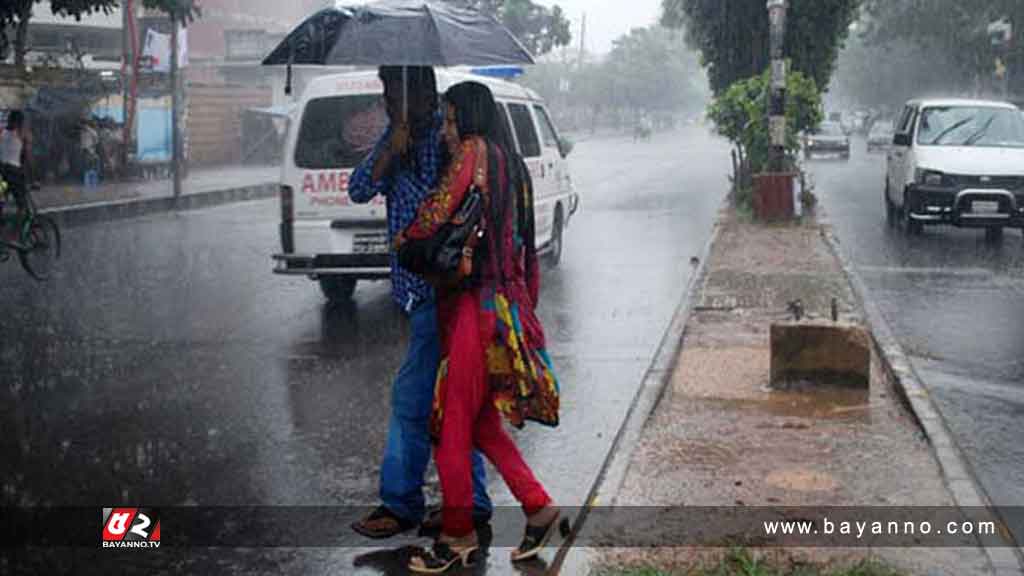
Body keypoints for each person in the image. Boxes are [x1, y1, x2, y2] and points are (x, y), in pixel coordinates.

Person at [398, 82, 561, 573]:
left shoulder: (471, 153)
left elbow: (432, 218)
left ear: (468, 118)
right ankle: (538, 507)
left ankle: (457, 534)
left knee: (450, 423)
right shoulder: (513, 162)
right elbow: (524, 246)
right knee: (482, 424)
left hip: (473, 308)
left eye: (450, 119)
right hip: (505, 308)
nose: (445, 132)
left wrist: (405, 238)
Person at [347, 66, 492, 539]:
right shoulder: (395, 136)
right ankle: (471, 503)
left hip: (441, 289)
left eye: (395, 92)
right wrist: (391, 148)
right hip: (416, 290)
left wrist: (414, 151)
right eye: (385, 93)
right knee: (451, 398)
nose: (388, 102)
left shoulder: (446, 138)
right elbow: (359, 189)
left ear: (422, 93)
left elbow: (445, 207)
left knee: (412, 399)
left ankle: (402, 502)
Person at [0, 110, 30, 243]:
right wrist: (32, 178)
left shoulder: (1, 132)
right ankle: (13, 236)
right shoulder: (22, 134)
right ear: (20, 122)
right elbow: (27, 158)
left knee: (1, 200)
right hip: (14, 173)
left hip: (2, 172)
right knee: (22, 206)